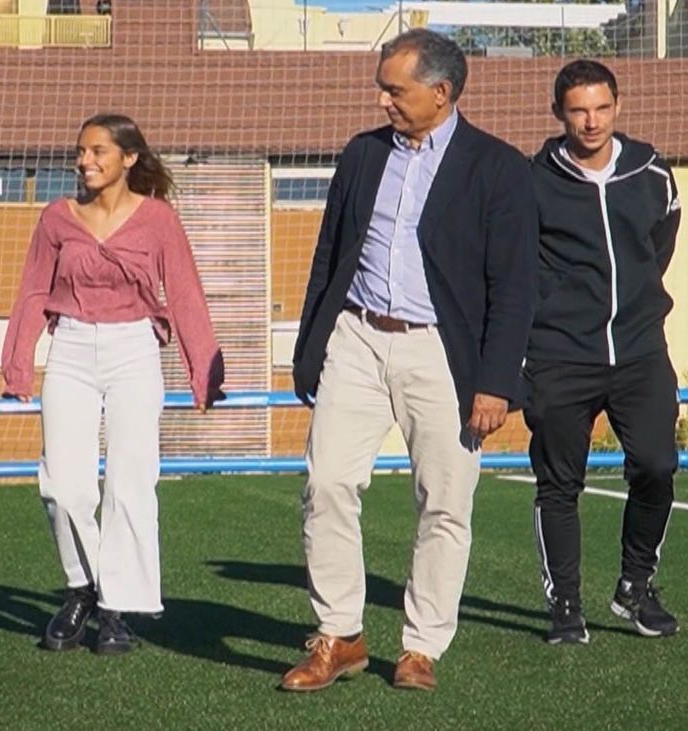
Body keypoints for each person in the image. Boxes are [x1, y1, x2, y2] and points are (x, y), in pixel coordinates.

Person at [285, 29, 537, 691]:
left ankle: (421, 647)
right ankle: (339, 634)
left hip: (445, 354)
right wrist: (311, 347)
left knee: (445, 502)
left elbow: (515, 284)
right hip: (358, 337)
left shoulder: (499, 168)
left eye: (395, 89)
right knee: (328, 483)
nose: (382, 98)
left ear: (441, 91)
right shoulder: (363, 154)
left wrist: (495, 382)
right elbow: (329, 257)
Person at [1, 113, 223, 655]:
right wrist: (18, 365)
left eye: (98, 150)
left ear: (129, 158)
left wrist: (205, 370)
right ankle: (82, 587)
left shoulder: (159, 220)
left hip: (133, 350)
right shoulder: (57, 218)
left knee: (129, 482)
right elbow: (34, 291)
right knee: (64, 484)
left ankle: (114, 610)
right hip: (72, 348)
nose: (85, 161)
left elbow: (187, 293)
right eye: (80, 151)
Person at [526, 60, 683, 645]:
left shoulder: (652, 172)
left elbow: (659, 244)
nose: (590, 121)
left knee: (657, 466)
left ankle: (635, 587)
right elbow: (518, 267)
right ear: (559, 113)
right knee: (559, 485)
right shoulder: (532, 179)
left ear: (617, 106)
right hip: (560, 355)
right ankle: (564, 603)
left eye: (601, 107)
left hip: (641, 349)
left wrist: (631, 305)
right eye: (577, 110)